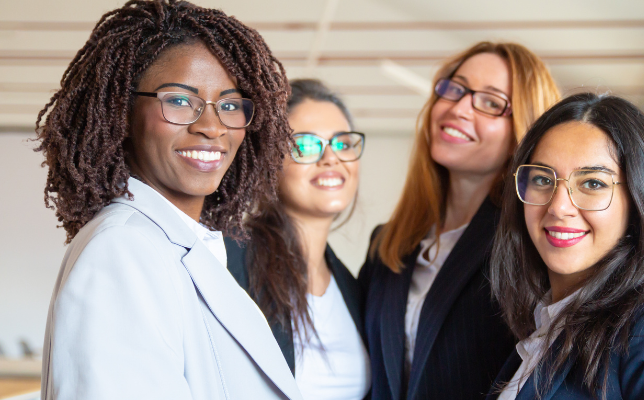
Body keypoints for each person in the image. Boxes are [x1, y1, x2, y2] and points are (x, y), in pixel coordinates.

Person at [36, 1, 301, 399]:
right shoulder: (122, 251)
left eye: (229, 105)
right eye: (179, 100)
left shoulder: (176, 244)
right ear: (120, 113)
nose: (211, 127)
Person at [486, 93, 644, 399]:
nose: (559, 207)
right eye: (543, 179)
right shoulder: (543, 329)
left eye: (592, 183)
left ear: (640, 201)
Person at [359, 41, 561, 400]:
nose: (460, 107)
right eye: (455, 89)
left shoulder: (530, 246)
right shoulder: (387, 243)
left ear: (524, 133)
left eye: (491, 102)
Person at [225, 79, 370, 400]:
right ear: (268, 163)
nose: (331, 158)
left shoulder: (356, 288)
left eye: (342, 144)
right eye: (305, 145)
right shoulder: (229, 260)